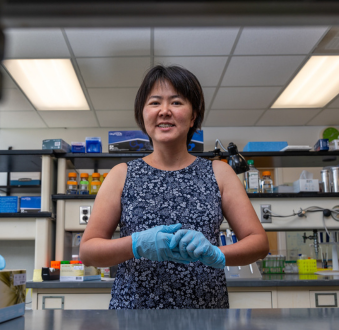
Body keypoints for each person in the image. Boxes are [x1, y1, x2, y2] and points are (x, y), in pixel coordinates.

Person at [80, 65, 269, 309]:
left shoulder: (219, 172)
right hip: (135, 321)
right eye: (155, 102)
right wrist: (136, 244)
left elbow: (259, 243)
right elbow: (88, 251)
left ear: (193, 117)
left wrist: (217, 253)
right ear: (143, 115)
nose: (165, 111)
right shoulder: (121, 175)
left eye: (177, 102)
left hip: (205, 316)